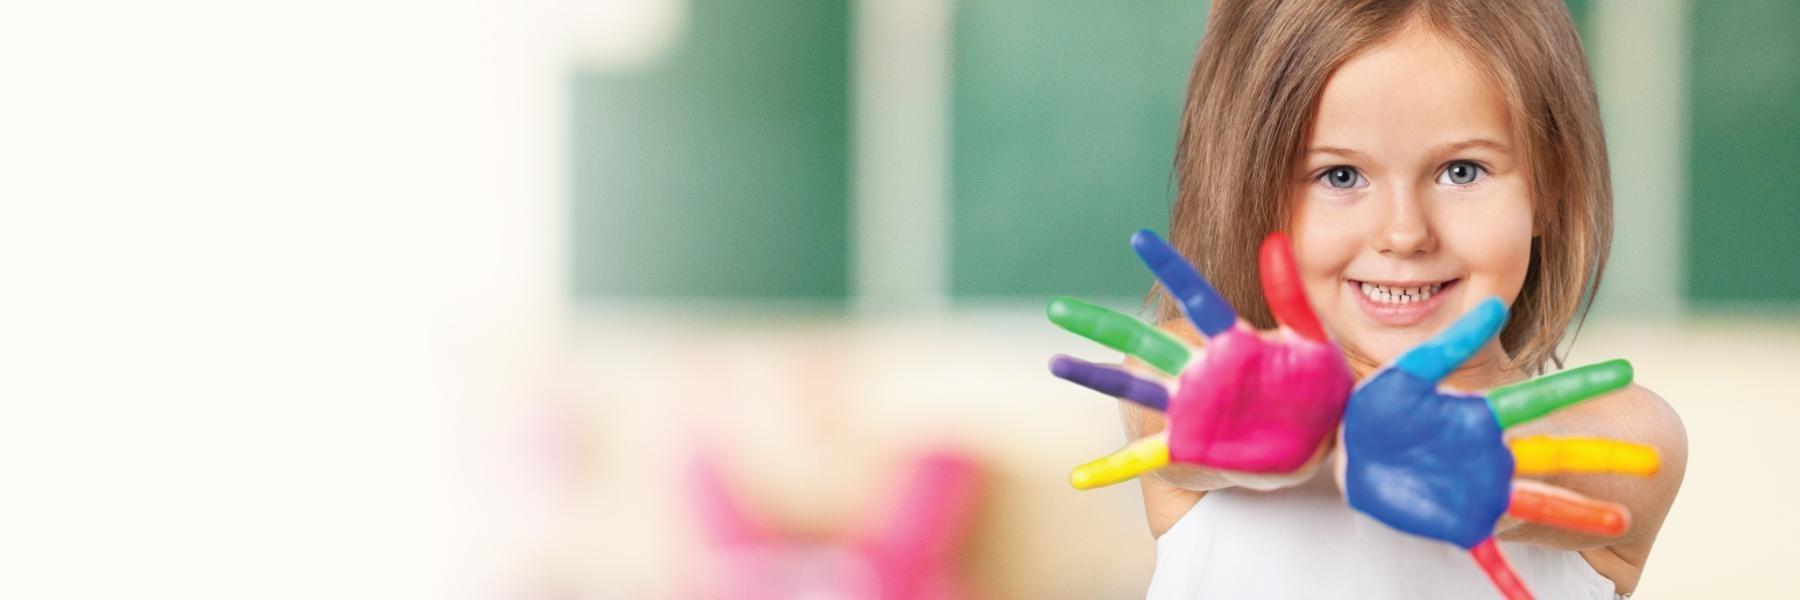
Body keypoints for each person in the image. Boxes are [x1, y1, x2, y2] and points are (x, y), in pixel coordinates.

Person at [1126, 1, 1687, 597]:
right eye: (1340, 176)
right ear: (1254, 192)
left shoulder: (1619, 435)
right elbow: (1171, 389)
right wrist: (1282, 415)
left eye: (1462, 171)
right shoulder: (1206, 372)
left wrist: (1484, 455)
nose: (1404, 233)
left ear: (1550, 187)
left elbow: (1591, 455)